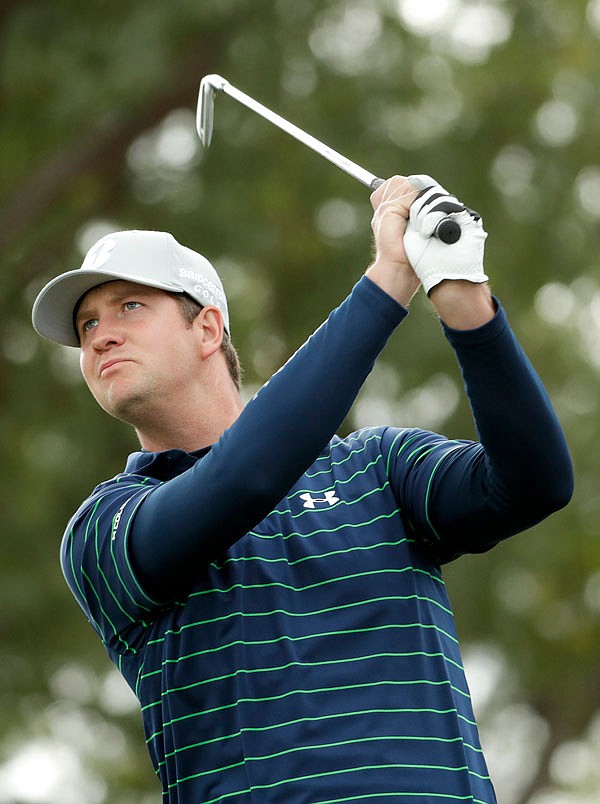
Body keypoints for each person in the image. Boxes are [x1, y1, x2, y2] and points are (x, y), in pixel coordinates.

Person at [32, 175, 573, 803]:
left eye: (129, 307)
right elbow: (245, 478)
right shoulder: (103, 527)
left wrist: (468, 306)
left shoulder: (375, 465)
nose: (100, 335)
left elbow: (535, 484)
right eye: (87, 324)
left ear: (208, 330)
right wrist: (391, 279)